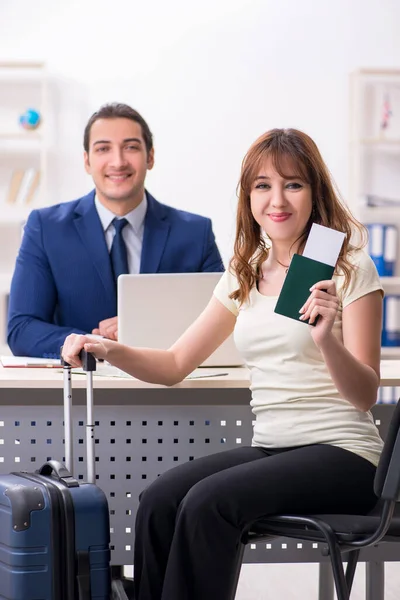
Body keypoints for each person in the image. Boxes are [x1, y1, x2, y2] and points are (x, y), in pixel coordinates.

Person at [62, 128, 384, 600]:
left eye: (293, 184)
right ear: (247, 196)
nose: (277, 199)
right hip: (275, 446)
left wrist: (326, 340)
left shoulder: (348, 266)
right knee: (158, 500)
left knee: (208, 504)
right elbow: (175, 363)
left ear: (315, 193)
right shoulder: (246, 269)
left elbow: (365, 394)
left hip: (346, 455)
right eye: (262, 186)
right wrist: (107, 347)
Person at [8, 103, 224, 358]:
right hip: (82, 387)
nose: (118, 162)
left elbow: (226, 322)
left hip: (171, 390)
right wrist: (95, 343)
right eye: (103, 149)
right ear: (87, 161)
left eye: (131, 147)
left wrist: (143, 330)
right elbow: (22, 329)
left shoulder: (195, 233)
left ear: (150, 157)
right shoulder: (46, 228)